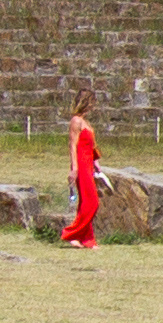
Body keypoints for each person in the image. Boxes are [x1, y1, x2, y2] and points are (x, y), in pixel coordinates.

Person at [64, 102, 102, 250]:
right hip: (81, 165)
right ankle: (71, 233)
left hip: (88, 163)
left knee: (86, 202)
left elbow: (91, 144)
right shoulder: (76, 121)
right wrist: (74, 168)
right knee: (92, 202)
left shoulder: (86, 122)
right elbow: (72, 144)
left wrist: (96, 160)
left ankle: (87, 239)